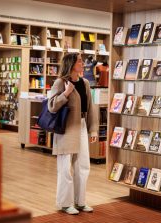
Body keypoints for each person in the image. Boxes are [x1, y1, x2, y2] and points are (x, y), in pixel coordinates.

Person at [48, 53, 98, 215]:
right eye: (79, 61)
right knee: (65, 167)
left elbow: (90, 107)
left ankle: (80, 201)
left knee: (83, 165)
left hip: (82, 125)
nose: (82, 63)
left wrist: (93, 129)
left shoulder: (85, 83)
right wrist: (66, 93)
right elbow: (51, 106)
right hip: (66, 128)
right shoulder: (60, 82)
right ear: (71, 64)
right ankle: (65, 203)